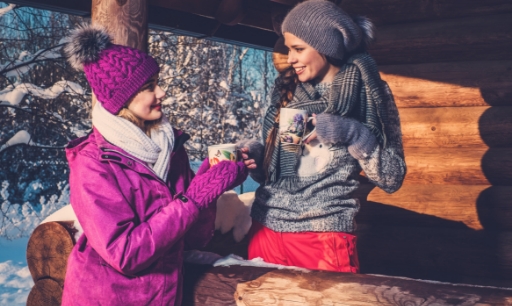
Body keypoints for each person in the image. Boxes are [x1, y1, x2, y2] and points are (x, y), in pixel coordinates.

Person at [61, 24, 250, 305]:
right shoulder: (93, 163)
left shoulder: (170, 149)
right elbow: (125, 254)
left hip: (163, 296)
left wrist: (210, 186)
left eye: (157, 82)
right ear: (122, 98)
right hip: (106, 298)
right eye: (149, 87)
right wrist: (194, 197)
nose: (161, 92)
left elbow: (194, 237)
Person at [238, 0, 406, 273]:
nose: (290, 58)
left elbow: (391, 176)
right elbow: (283, 170)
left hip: (322, 237)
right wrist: (257, 156)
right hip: (266, 229)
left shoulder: (368, 94)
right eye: (288, 48)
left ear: (326, 47)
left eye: (298, 49)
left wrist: (351, 132)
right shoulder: (288, 92)